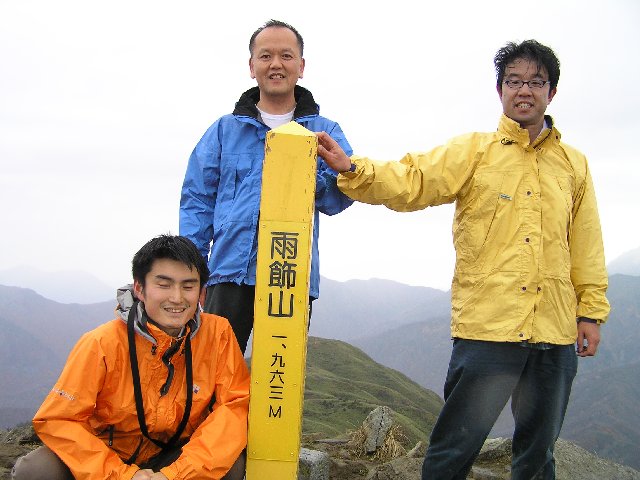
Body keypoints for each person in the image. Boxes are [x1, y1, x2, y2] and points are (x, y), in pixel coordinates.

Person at [316, 40, 610, 480]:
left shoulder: (574, 164)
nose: (524, 90)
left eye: (535, 81)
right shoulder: (475, 152)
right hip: (487, 329)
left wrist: (591, 312)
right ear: (499, 90)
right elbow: (413, 180)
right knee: (454, 450)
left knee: (537, 456)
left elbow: (586, 243)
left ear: (552, 92)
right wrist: (353, 169)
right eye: (514, 81)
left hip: (554, 328)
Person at [12, 235, 250, 480]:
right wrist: (123, 475)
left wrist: (175, 475)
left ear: (201, 293)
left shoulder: (217, 334)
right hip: (107, 454)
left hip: (176, 457)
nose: (177, 298)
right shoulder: (102, 344)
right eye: (164, 284)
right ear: (139, 288)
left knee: (232, 466)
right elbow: (59, 419)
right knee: (36, 470)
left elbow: (233, 407)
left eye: (188, 286)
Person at [179, 19, 353, 354]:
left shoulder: (324, 130)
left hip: (292, 272)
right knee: (214, 370)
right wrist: (192, 271)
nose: (276, 64)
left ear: (301, 67)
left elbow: (340, 196)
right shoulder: (223, 131)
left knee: (280, 379)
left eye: (286, 56)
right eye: (266, 56)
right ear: (251, 66)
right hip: (228, 273)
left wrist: (305, 175)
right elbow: (197, 202)